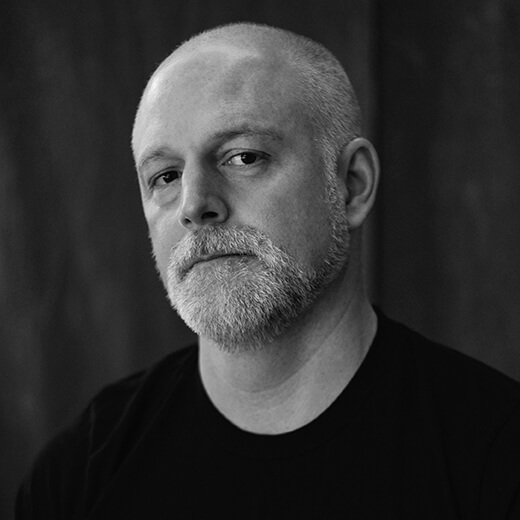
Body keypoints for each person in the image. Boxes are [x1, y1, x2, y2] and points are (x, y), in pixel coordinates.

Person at [17, 23, 520, 519]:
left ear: (352, 184)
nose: (194, 205)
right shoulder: (75, 478)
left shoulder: (495, 458)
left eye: (243, 157)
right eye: (166, 176)